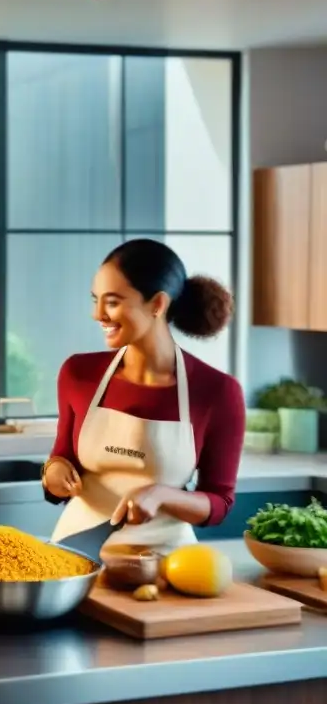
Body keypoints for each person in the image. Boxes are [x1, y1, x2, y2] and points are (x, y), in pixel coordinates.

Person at [44, 238, 245, 556]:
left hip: (167, 565)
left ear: (157, 305)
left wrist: (161, 495)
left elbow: (219, 502)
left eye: (112, 302)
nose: (98, 314)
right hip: (75, 559)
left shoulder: (217, 392)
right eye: (95, 300)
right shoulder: (78, 374)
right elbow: (61, 457)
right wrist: (53, 473)